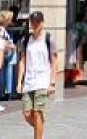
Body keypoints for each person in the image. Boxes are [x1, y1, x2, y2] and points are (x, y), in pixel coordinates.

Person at [17, 11, 58, 139]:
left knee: (37, 113)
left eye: (38, 22)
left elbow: (54, 61)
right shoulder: (26, 40)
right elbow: (22, 61)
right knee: (27, 114)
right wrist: (19, 82)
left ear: (43, 23)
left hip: (42, 81)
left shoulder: (48, 39)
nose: (35, 24)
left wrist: (52, 82)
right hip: (29, 81)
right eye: (33, 22)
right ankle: (40, 127)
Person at [0, 10, 16, 112]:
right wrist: (10, 45)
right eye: (10, 19)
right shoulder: (0, 31)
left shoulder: (1, 30)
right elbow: (1, 43)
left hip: (0, 57)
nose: (11, 21)